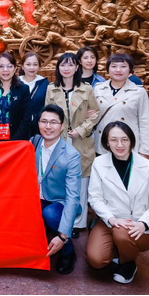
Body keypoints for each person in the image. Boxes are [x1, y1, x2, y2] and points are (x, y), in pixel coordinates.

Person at [86, 121, 149, 284]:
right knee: (96, 260)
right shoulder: (99, 163)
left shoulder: (147, 166)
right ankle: (119, 248)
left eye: (124, 139)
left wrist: (144, 224)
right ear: (107, 143)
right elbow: (95, 197)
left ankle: (128, 262)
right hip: (109, 220)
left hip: (137, 224)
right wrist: (111, 219)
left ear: (131, 141)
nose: (119, 145)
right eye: (114, 140)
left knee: (121, 235)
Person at [45, 52, 99, 238]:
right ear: (58, 68)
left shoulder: (86, 89)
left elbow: (95, 113)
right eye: (63, 65)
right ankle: (62, 220)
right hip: (59, 141)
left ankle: (77, 224)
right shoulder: (51, 89)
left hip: (81, 141)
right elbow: (48, 114)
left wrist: (81, 130)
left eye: (70, 64)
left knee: (80, 183)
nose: (66, 68)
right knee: (62, 182)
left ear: (77, 67)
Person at [30, 104, 81, 275]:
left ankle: (68, 251)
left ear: (62, 127)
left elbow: (73, 197)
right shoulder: (33, 142)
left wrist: (63, 236)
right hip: (36, 198)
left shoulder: (71, 155)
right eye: (44, 121)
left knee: (50, 214)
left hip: (59, 202)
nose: (48, 126)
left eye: (53, 122)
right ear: (38, 123)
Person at [93, 54, 149, 157]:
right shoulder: (98, 89)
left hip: (127, 144)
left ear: (130, 70)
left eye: (123, 66)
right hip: (103, 143)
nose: (118, 70)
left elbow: (144, 122)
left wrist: (144, 150)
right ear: (108, 69)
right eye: (114, 66)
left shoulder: (139, 92)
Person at [0, 53, 32, 141]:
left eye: (9, 66)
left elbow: (26, 119)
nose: (5, 70)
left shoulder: (23, 89)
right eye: (1, 66)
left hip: (17, 142)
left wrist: (13, 142)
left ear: (15, 68)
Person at [19, 51, 49, 137]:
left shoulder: (45, 84)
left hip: (38, 128)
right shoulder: (15, 83)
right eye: (28, 64)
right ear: (22, 66)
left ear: (39, 66)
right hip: (18, 126)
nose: (31, 67)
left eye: (35, 64)